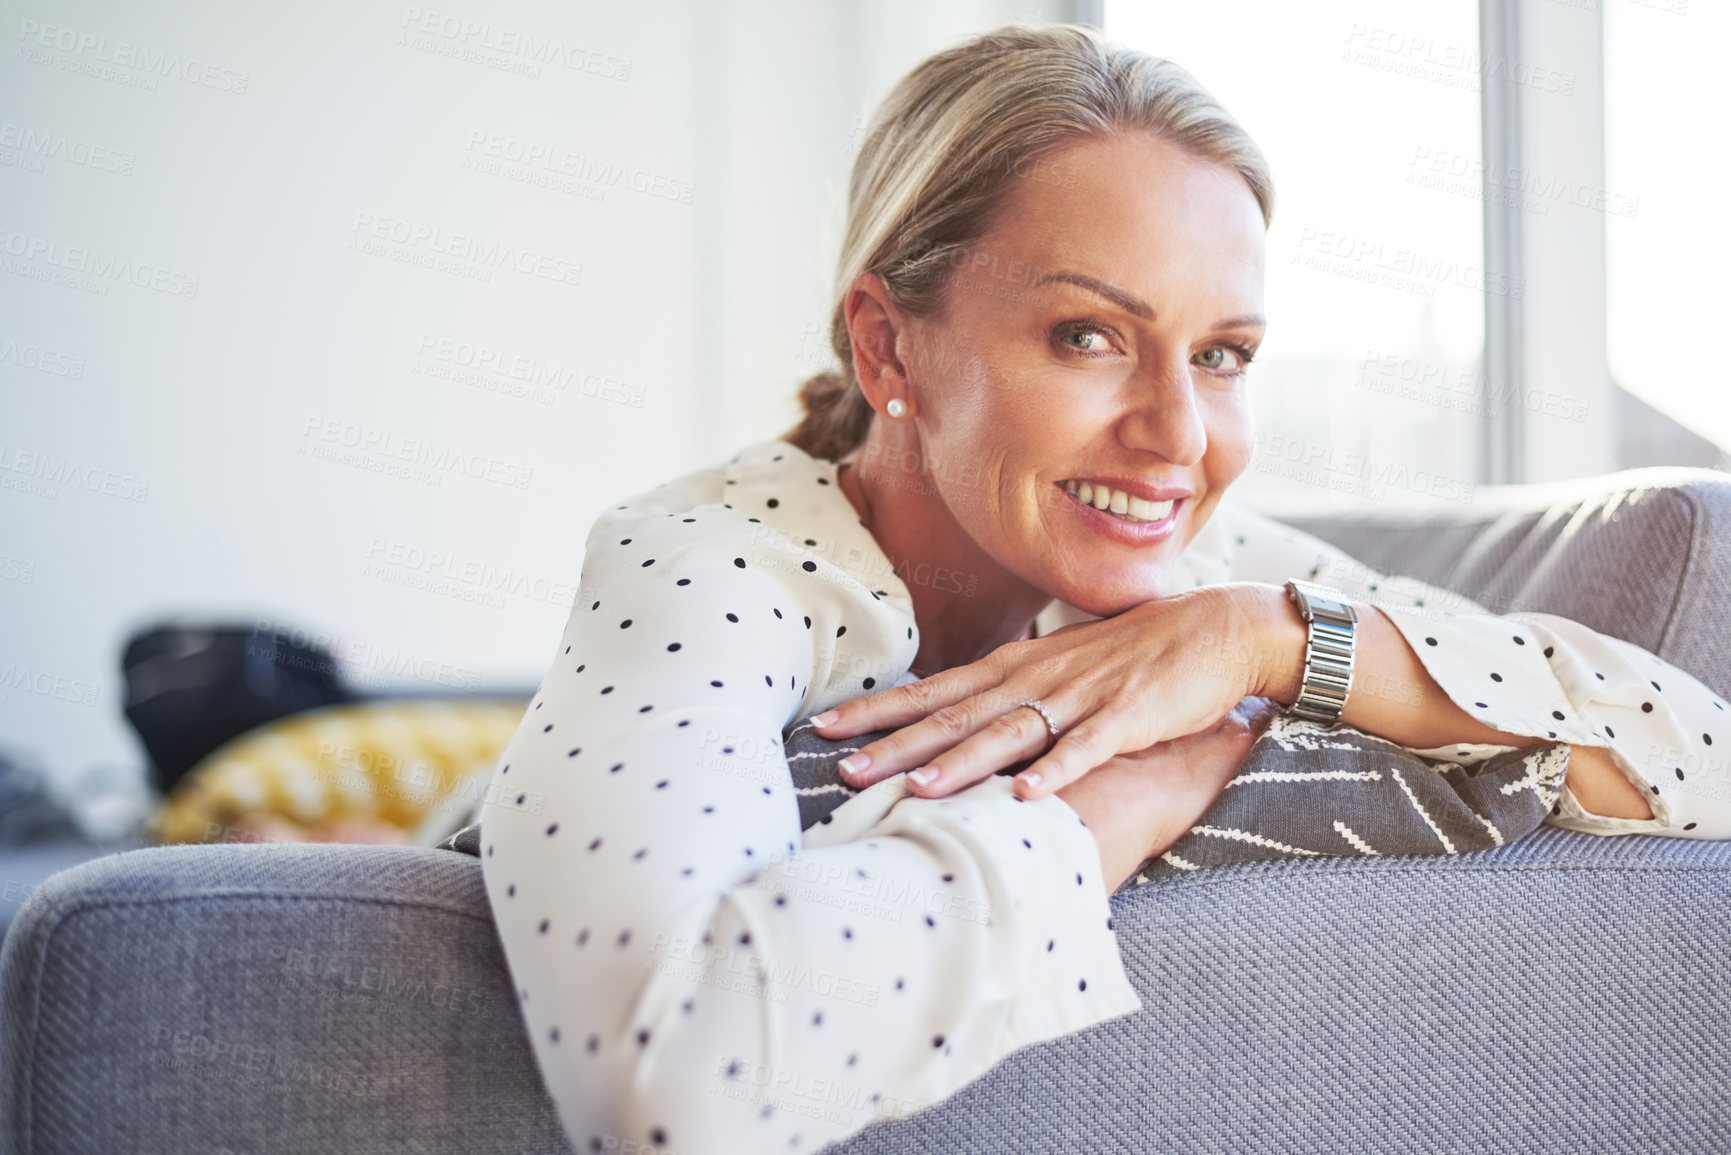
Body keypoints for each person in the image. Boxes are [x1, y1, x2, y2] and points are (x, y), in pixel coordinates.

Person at [481, 23, 1728, 1155]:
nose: (1178, 435)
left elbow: (1704, 760)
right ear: (886, 343)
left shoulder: (1212, 581)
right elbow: (670, 1095)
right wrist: (1138, 792)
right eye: (1089, 335)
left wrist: (1267, 645)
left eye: (1223, 354)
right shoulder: (705, 567)